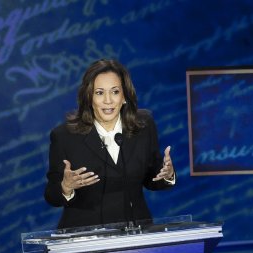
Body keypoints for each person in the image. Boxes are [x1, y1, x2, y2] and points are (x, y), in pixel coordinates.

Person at [44, 59, 175, 229]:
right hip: (85, 238)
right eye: (99, 93)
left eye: (114, 92)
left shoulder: (143, 126)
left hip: (136, 233)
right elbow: (51, 195)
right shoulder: (65, 136)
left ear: (124, 96)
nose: (108, 100)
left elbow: (152, 179)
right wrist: (65, 187)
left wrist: (167, 175)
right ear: (89, 97)